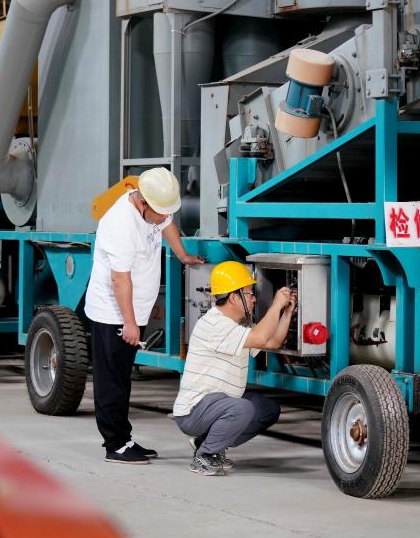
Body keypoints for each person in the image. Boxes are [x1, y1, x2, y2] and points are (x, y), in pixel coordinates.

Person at [84, 167, 204, 464]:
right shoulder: (120, 224)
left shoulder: (153, 205)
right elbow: (119, 279)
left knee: (123, 377)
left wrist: (182, 254)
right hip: (113, 313)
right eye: (160, 214)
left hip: (133, 311)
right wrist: (128, 322)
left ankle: (124, 439)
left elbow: (168, 225)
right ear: (143, 204)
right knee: (112, 379)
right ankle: (115, 445)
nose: (165, 218)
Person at [172, 261, 297, 476]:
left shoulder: (236, 326)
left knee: (266, 409)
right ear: (233, 297)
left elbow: (272, 342)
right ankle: (205, 456)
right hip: (193, 412)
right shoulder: (215, 324)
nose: (254, 298)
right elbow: (261, 336)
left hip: (214, 406)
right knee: (242, 408)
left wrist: (286, 313)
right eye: (249, 293)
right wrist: (276, 305)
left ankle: (208, 442)